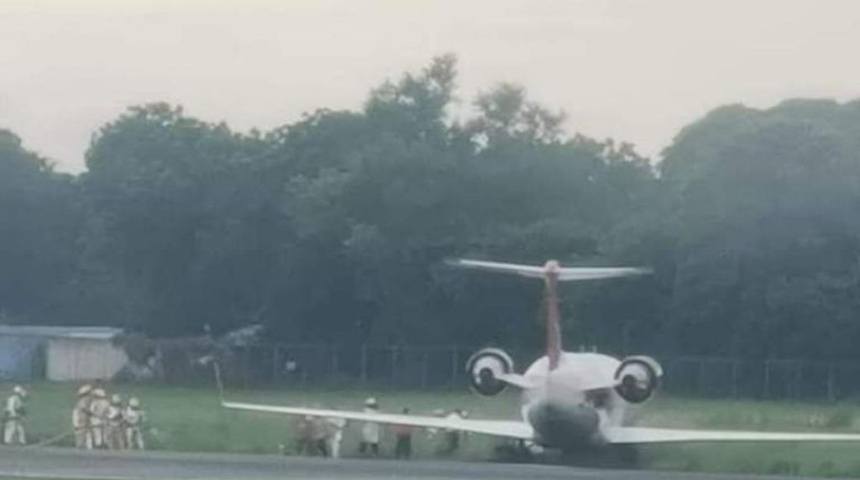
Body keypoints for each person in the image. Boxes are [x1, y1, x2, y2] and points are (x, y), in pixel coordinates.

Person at [72, 384, 93, 449]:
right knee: (81, 436)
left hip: (86, 421)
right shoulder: (83, 401)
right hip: (82, 422)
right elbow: (84, 409)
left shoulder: (86, 401)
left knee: (87, 435)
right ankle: (80, 447)